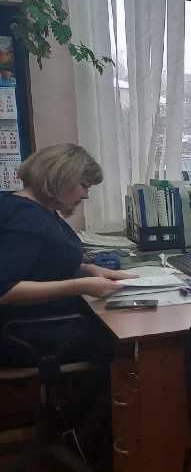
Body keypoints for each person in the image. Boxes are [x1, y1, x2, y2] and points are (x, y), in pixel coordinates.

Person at [0, 144, 135, 365]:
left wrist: (89, 269)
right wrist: (79, 285)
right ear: (61, 177)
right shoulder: (26, 218)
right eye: (84, 185)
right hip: (26, 335)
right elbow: (5, 290)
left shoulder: (36, 209)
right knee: (127, 337)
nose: (86, 195)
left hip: (42, 323)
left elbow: (43, 262)